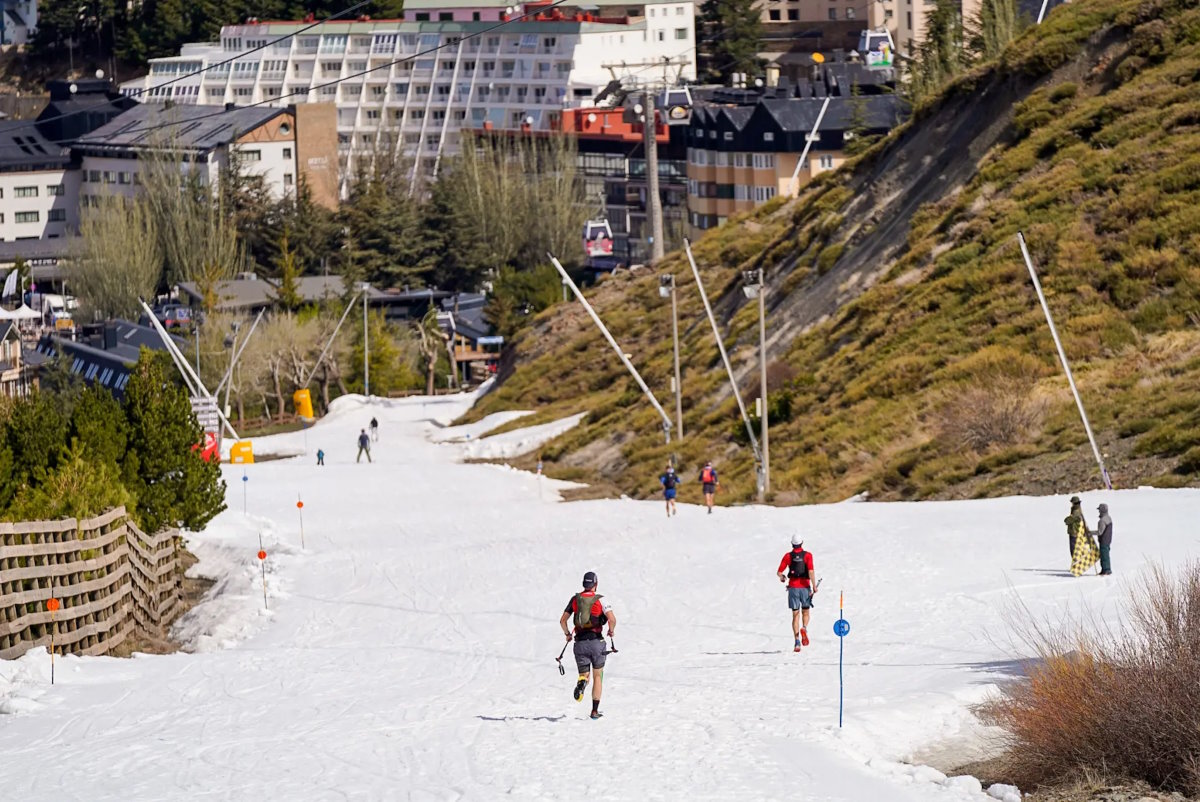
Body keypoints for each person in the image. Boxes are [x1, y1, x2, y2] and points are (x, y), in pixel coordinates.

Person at [559, 571, 615, 720]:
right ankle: (594, 711)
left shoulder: (575, 599)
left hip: (580, 644)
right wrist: (611, 631)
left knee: (584, 674)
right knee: (598, 676)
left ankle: (582, 681)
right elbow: (612, 619)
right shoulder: (601, 600)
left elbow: (563, 621)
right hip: (597, 643)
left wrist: (567, 634)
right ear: (595, 584)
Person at [776, 535, 817, 652]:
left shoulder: (788, 556)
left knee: (795, 615)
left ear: (792, 544)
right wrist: (814, 585)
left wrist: (783, 577)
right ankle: (804, 627)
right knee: (806, 611)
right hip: (805, 587)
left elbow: (779, 572)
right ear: (802, 543)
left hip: (793, 588)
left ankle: (797, 642)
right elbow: (811, 571)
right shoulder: (808, 555)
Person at [1090, 503, 1113, 575]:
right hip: (1108, 540)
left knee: (1104, 556)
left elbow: (1100, 532)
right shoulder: (1108, 518)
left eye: (1099, 510)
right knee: (1105, 555)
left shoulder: (1102, 521)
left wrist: (1089, 533)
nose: (1099, 511)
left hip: (1104, 540)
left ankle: (1106, 570)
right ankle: (1106, 569)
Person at [1064, 496, 1087, 561]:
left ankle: (1076, 562)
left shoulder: (1076, 511)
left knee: (1073, 549)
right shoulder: (1078, 509)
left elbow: (1069, 520)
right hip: (1077, 531)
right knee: (1076, 548)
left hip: (1074, 532)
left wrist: (1066, 520)